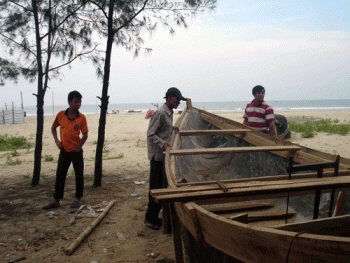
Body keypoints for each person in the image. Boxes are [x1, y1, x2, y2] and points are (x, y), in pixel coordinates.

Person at [144, 87, 187, 230]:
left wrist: (172, 129)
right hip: (157, 157)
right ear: (169, 98)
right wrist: (164, 144)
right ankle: (149, 218)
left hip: (164, 157)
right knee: (156, 188)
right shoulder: (161, 113)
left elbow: (163, 130)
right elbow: (151, 134)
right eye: (178, 99)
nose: (179, 102)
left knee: (162, 186)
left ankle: (155, 216)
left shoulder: (169, 113)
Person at [43, 91, 88, 210]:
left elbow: (85, 134)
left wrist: (78, 147)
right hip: (64, 150)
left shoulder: (82, 118)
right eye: (76, 101)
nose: (78, 104)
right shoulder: (61, 115)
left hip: (76, 152)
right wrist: (57, 141)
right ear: (69, 102)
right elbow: (53, 128)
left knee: (79, 176)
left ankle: (77, 199)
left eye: (80, 102)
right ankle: (56, 200)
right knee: (60, 175)